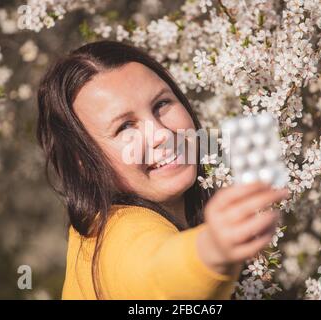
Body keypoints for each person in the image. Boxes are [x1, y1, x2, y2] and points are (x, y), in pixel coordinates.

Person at [36, 40, 288, 299]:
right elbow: (156, 274)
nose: (160, 134)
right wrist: (213, 248)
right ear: (83, 162)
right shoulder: (114, 237)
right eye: (124, 127)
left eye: (161, 104)